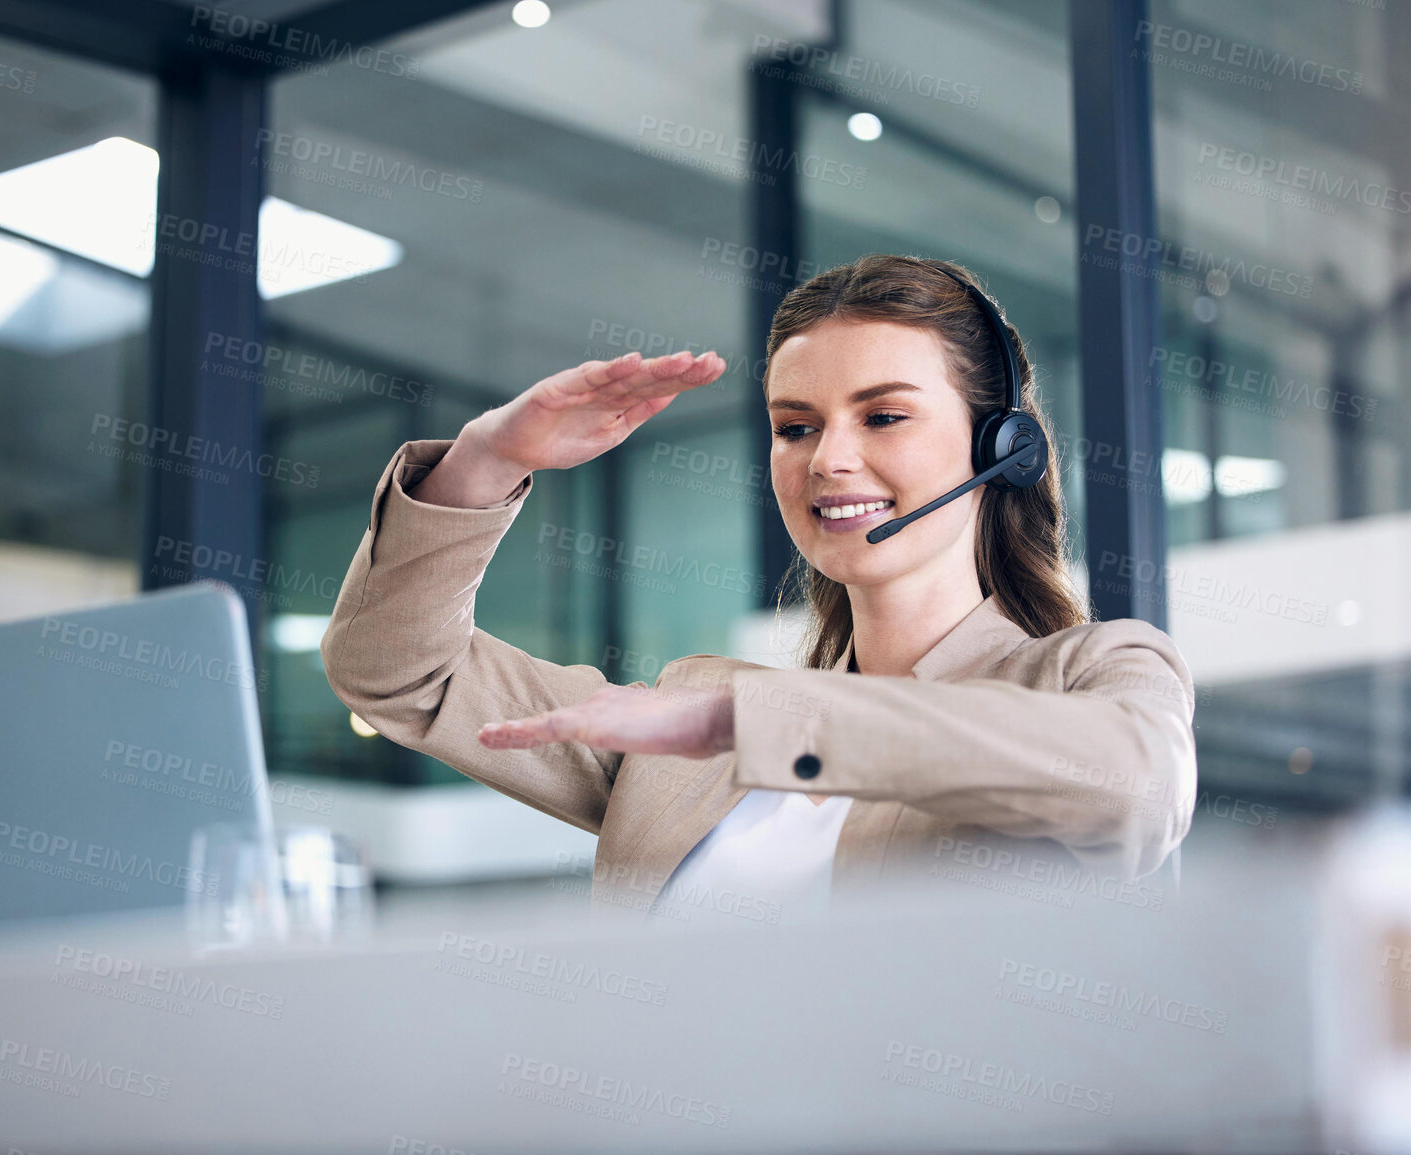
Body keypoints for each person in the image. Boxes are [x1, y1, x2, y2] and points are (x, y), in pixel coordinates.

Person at [322, 254, 1197, 926]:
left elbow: (1135, 788)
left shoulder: (1092, 672)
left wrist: (749, 725)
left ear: (998, 446)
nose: (827, 459)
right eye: (794, 427)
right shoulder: (691, 720)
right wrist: (487, 461)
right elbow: (398, 671)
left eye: (882, 415)